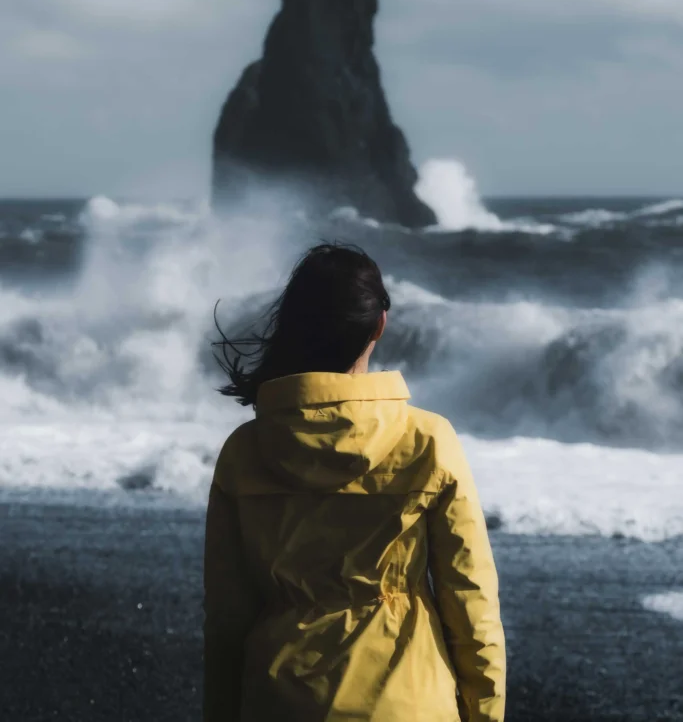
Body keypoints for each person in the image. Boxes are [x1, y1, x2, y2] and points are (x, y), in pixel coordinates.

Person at [204, 243, 505, 722]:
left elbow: (226, 618)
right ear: (379, 325)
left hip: (280, 700)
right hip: (409, 703)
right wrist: (485, 714)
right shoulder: (427, 439)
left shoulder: (245, 450)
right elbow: (470, 602)